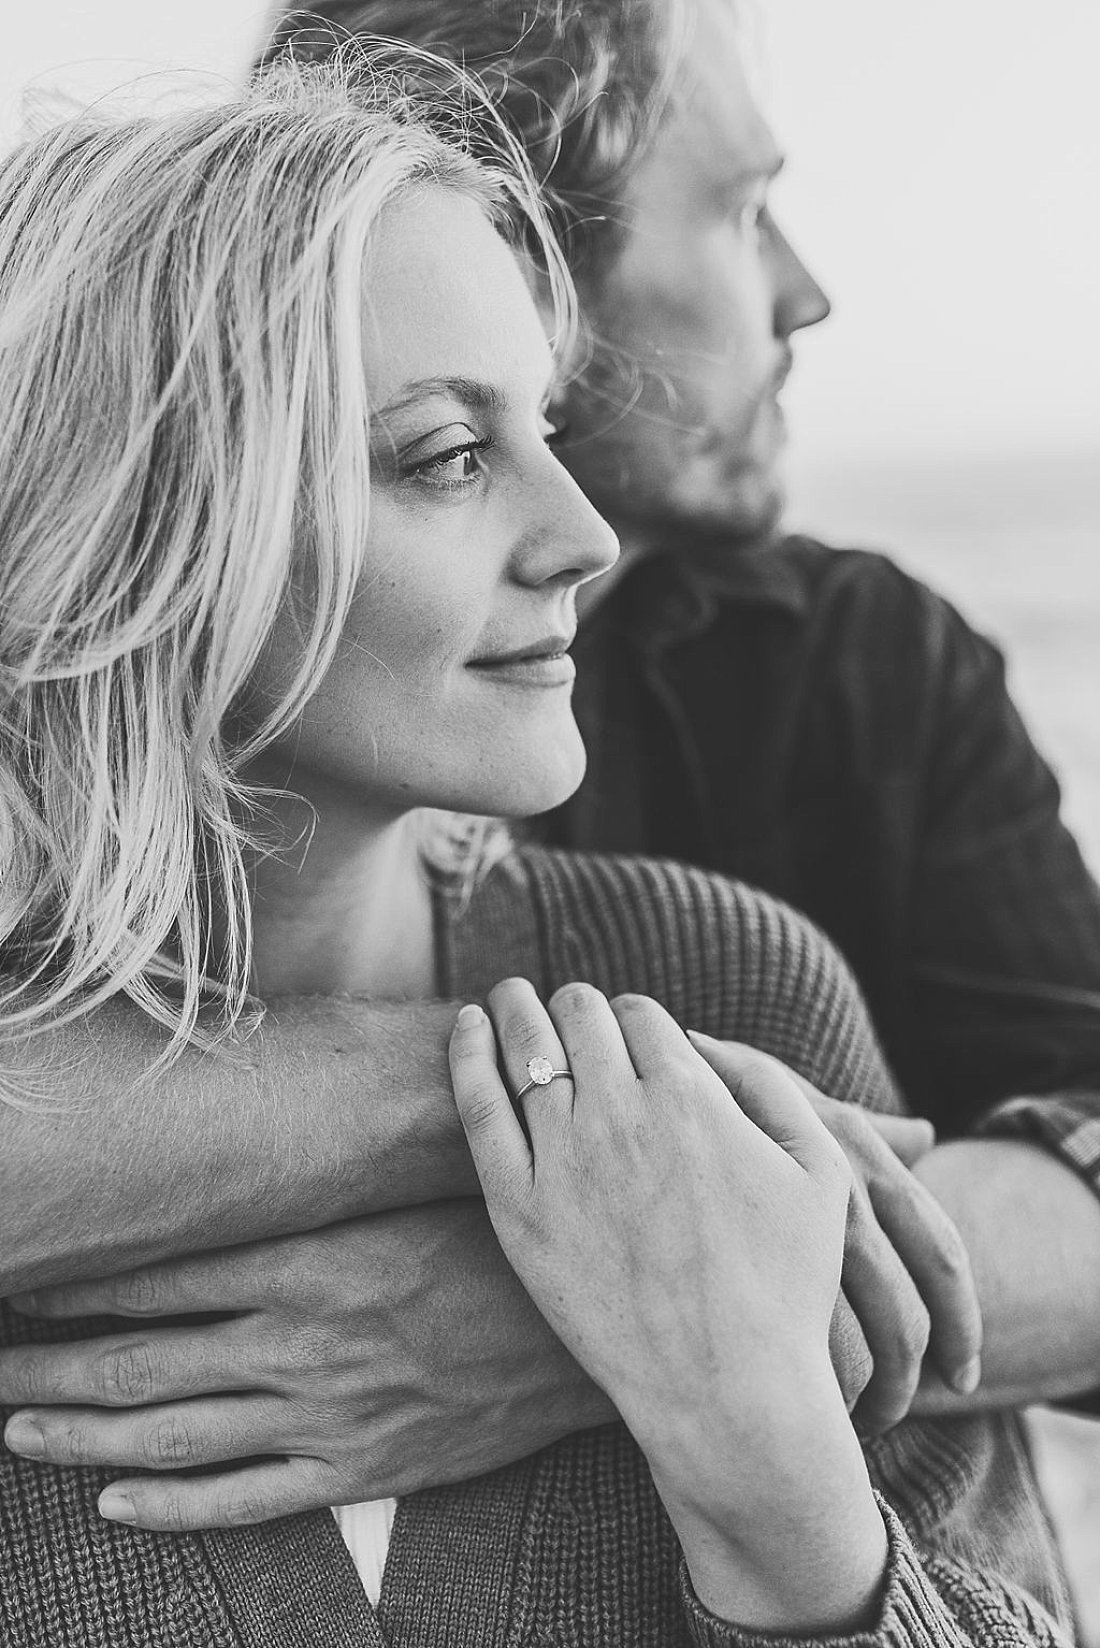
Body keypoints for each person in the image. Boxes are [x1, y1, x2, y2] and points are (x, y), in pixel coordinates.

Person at [2, 0, 1099, 1565]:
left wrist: (627, 1308)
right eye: (734, 208)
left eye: (536, 425)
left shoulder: (845, 703)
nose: (809, 289)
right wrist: (569, 1110)